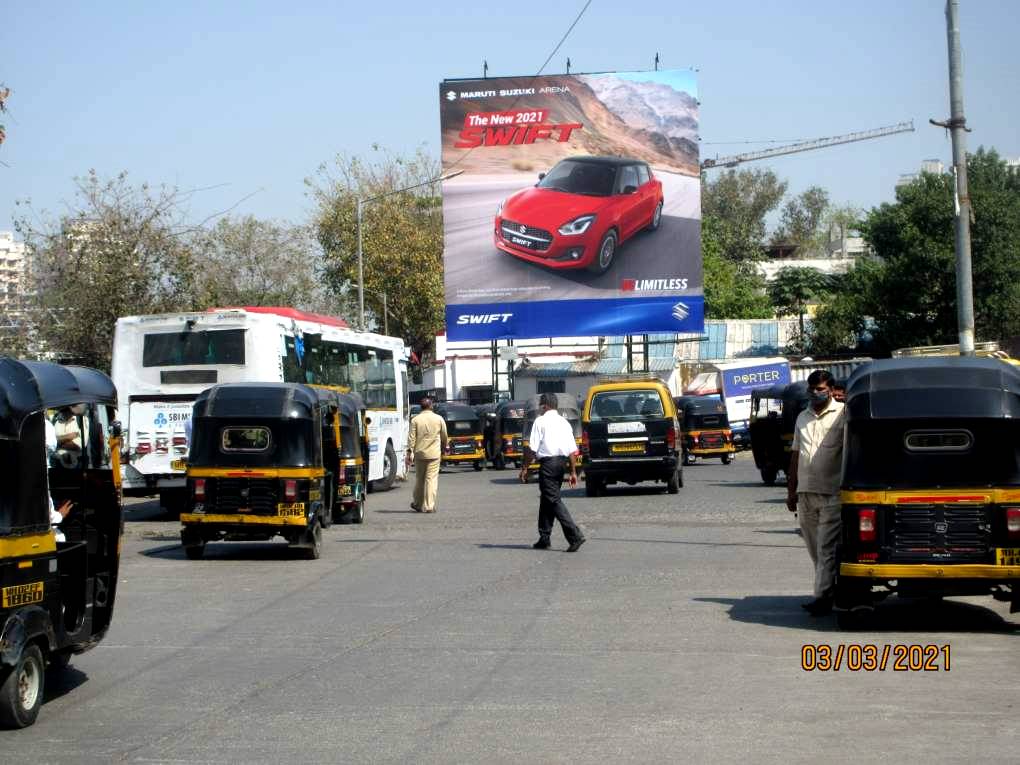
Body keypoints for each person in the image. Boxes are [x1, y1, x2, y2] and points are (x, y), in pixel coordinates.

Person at [786, 370, 846, 616]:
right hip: (805, 494)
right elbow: (795, 455)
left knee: (825, 548)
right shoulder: (803, 417)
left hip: (832, 494)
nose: (815, 393)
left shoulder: (843, 415)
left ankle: (822, 597)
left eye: (820, 389)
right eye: (812, 389)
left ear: (831, 390)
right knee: (814, 549)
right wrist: (791, 491)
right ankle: (828, 588)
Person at [519, 393, 585, 552]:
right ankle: (544, 537)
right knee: (546, 499)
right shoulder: (564, 422)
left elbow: (532, 449)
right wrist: (573, 472)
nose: (540, 409)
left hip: (548, 465)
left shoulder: (540, 421)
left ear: (545, 406)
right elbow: (571, 450)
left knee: (553, 500)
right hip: (561, 464)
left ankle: (574, 535)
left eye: (541, 405)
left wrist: (525, 468)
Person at [406, 397, 448, 513]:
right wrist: (444, 447)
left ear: (421, 407)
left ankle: (418, 504)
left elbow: (411, 438)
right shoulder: (438, 419)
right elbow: (444, 435)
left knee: (420, 479)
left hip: (420, 454)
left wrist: (410, 452)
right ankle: (429, 506)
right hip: (434, 454)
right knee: (431, 479)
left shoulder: (415, 420)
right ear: (431, 406)